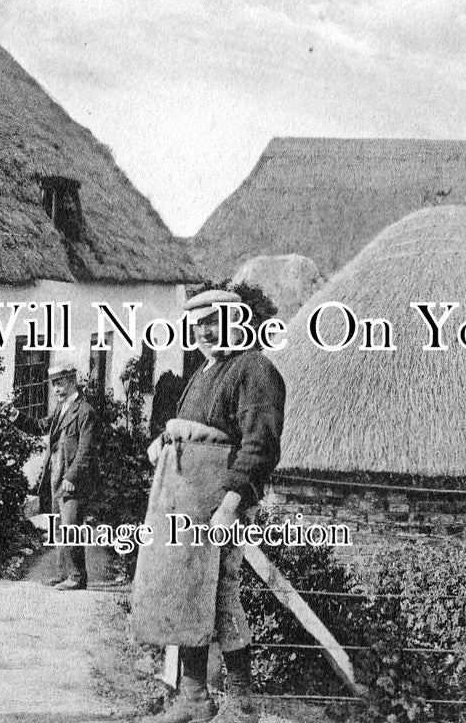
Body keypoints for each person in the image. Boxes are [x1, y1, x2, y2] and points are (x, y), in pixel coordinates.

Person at [133, 288, 286, 723]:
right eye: (199, 325)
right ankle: (193, 700)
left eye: (215, 322)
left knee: (221, 596)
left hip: (220, 503)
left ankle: (240, 705)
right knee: (185, 594)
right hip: (182, 500)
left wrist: (230, 505)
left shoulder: (255, 369)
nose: (205, 332)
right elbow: (196, 428)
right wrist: (163, 442)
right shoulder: (204, 371)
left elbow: (259, 445)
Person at [9, 363, 98, 591]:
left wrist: (73, 475)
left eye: (61, 383)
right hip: (56, 476)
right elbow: (40, 426)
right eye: (54, 384)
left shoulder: (85, 411)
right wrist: (17, 417)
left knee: (71, 526)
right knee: (59, 526)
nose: (57, 389)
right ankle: (63, 573)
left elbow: (86, 451)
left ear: (72, 380)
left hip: (70, 478)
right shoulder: (61, 409)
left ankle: (78, 577)